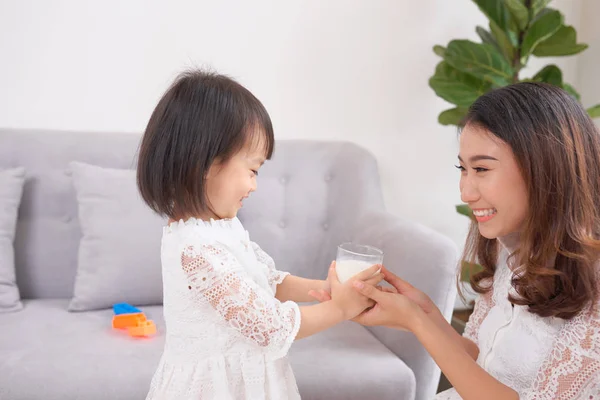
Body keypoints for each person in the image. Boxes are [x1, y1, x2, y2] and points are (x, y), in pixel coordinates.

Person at [312, 82, 600, 399]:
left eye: (481, 169)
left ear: (543, 167)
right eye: (463, 169)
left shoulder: (593, 289)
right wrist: (421, 315)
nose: (465, 192)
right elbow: (481, 359)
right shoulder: (511, 251)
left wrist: (418, 323)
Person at [137, 69, 383, 400]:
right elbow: (270, 328)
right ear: (207, 163)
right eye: (252, 170)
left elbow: (266, 282)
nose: (254, 185)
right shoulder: (196, 248)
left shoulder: (221, 227)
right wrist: (339, 309)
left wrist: (323, 289)